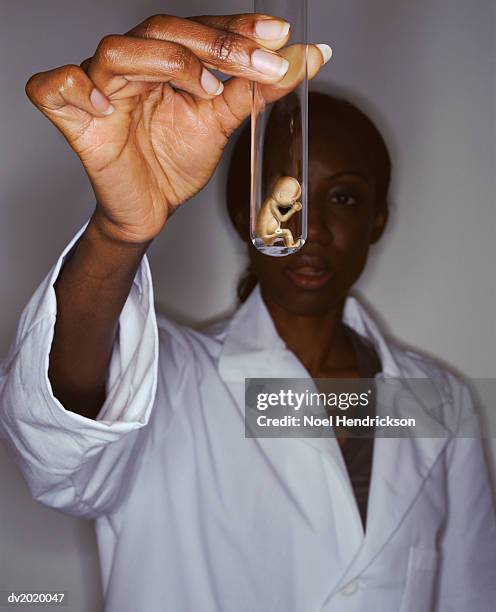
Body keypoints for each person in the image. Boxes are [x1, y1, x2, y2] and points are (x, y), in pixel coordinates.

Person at [0, 11, 495, 612]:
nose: (307, 229)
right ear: (241, 214)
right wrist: (120, 230)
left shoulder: (438, 402)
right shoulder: (173, 382)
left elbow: (470, 592)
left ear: (377, 221)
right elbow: (60, 442)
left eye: (342, 197)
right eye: (282, 194)